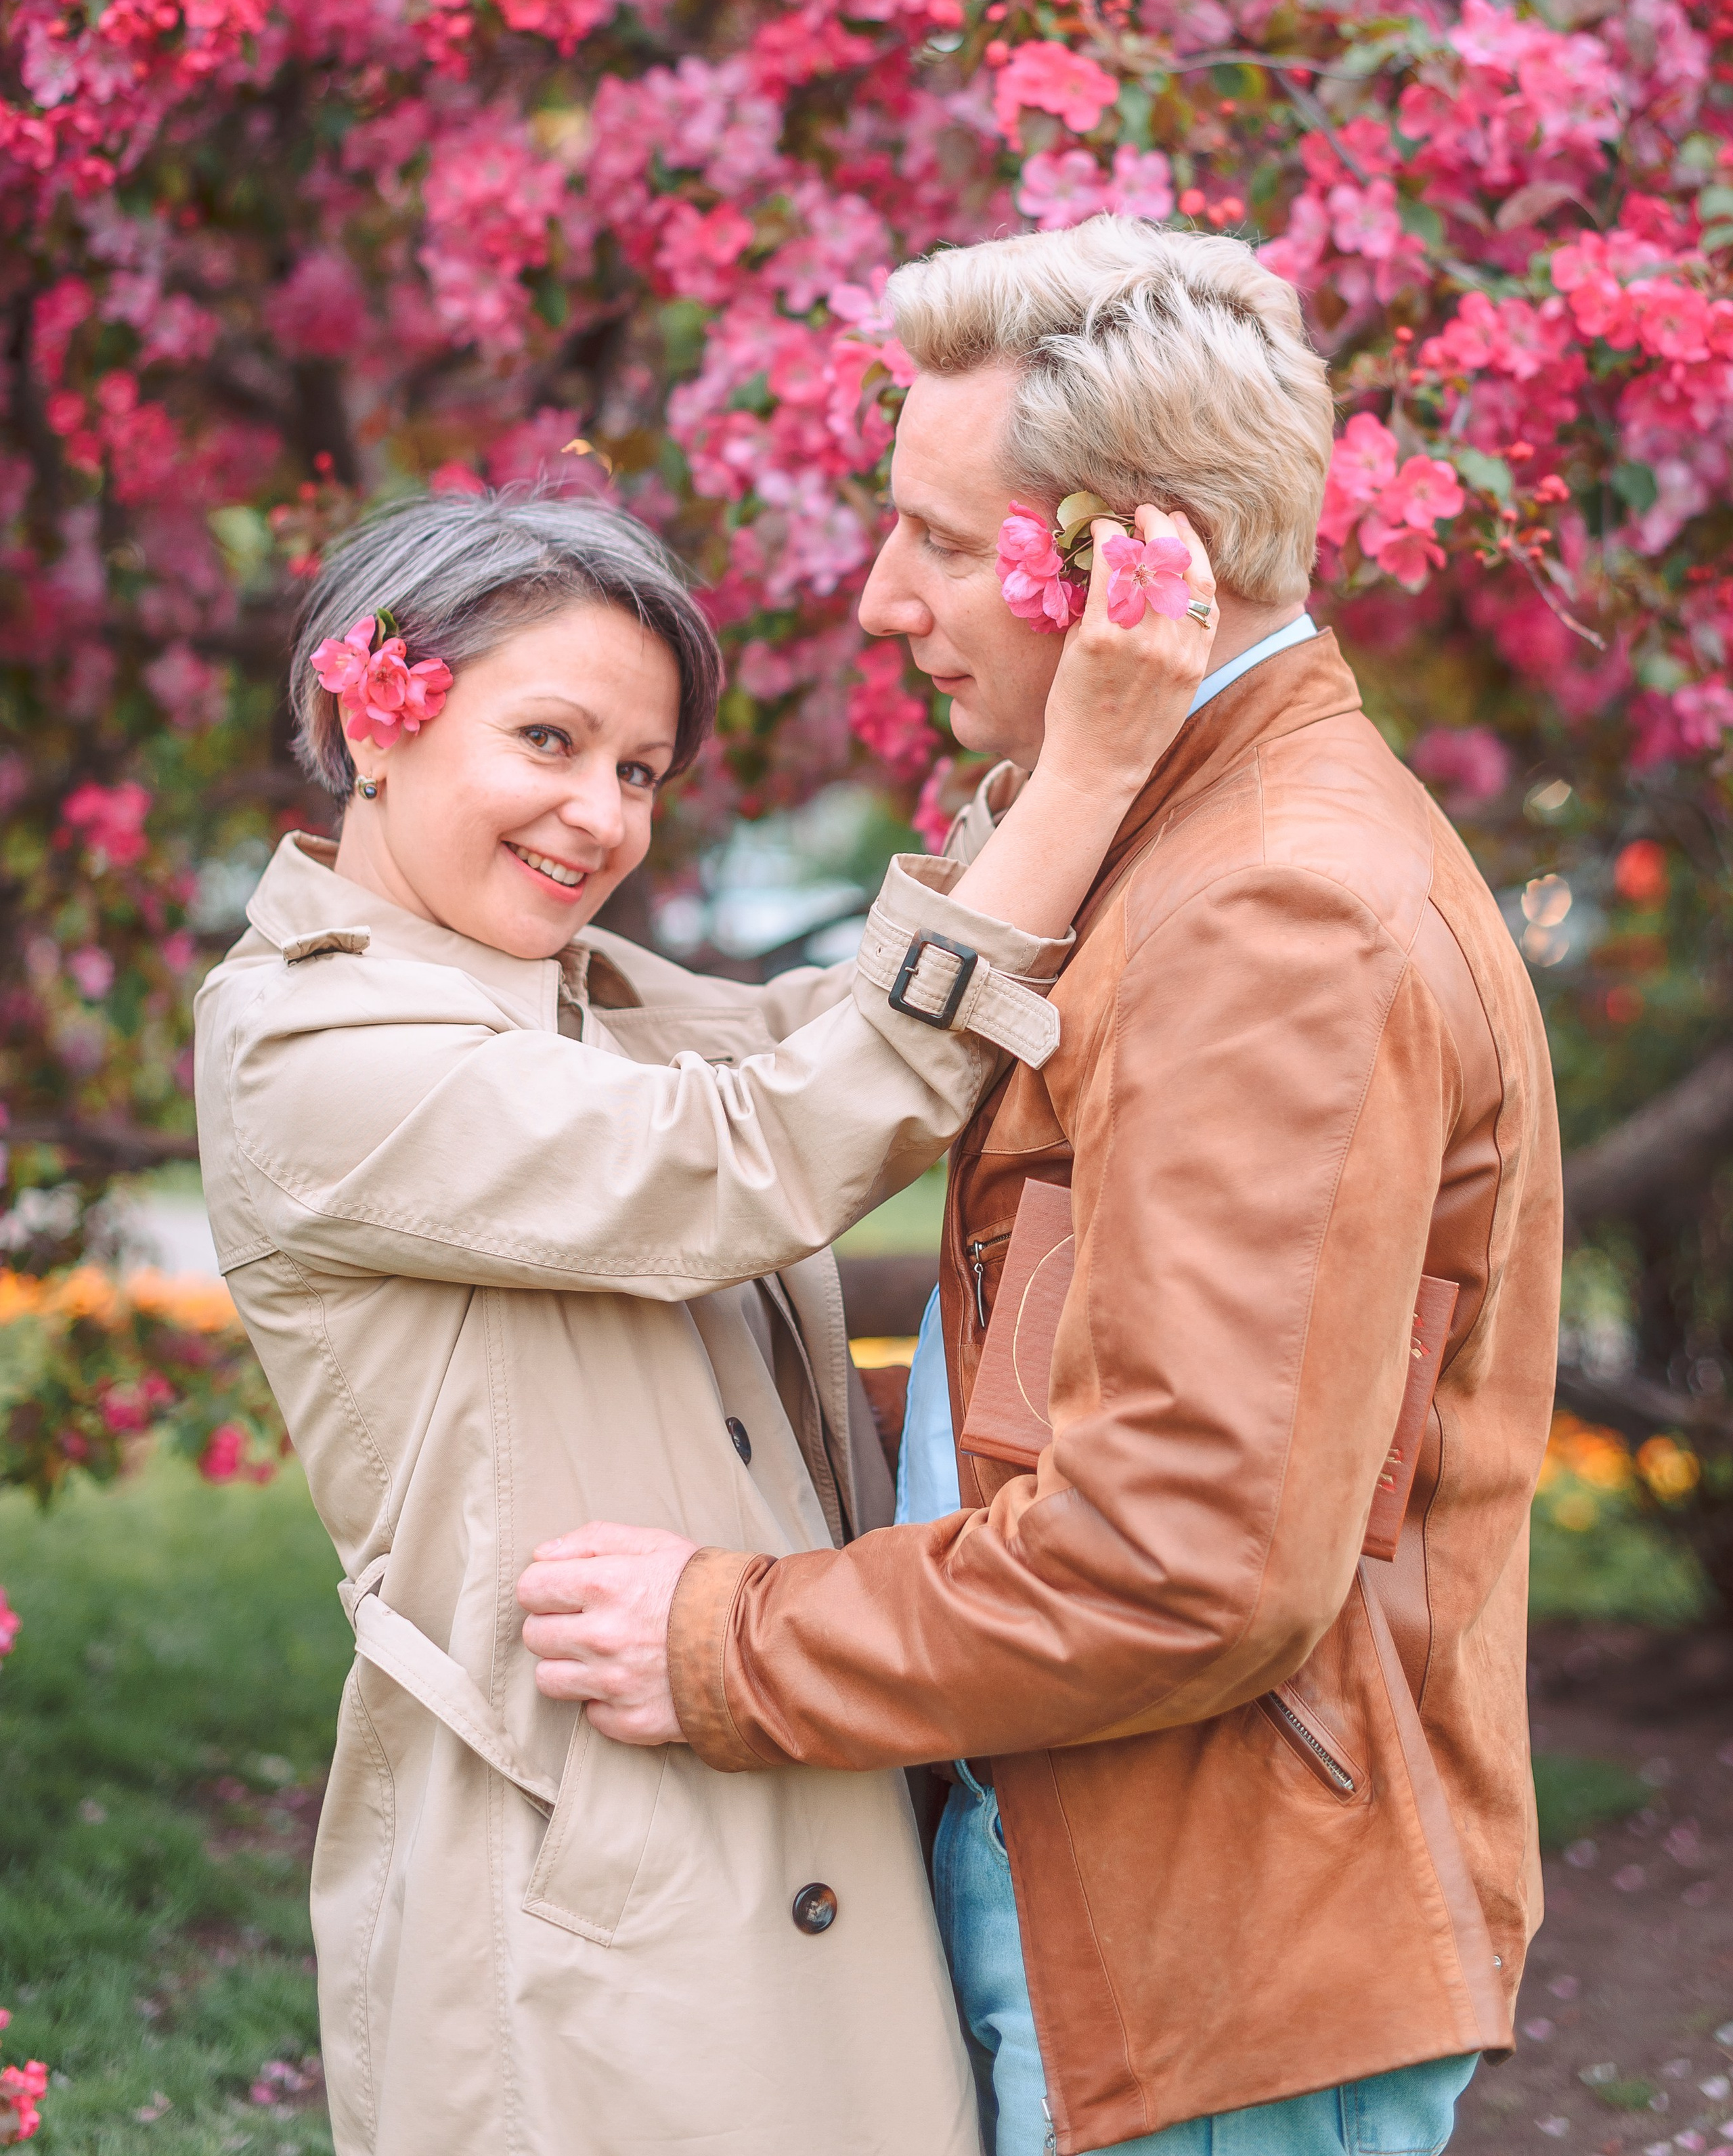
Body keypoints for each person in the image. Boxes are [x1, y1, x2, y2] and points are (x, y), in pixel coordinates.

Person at [519, 219, 1563, 2156]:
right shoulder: (1191, 844)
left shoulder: (1272, 909)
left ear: (1131, 560)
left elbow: (1186, 1552)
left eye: (927, 534)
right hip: (1145, 1886)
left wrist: (721, 1637)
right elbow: (1094, 1385)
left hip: (1219, 1957)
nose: (879, 602)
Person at [192, 483, 1219, 2156]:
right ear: (368, 716)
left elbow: (837, 1023)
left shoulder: (580, 997)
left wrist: (1049, 745)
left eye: (639, 771)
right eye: (549, 737)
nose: (597, 815)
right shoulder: (305, 1048)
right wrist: (1092, 768)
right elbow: (758, 1151)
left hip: (762, 1776)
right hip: (581, 1874)